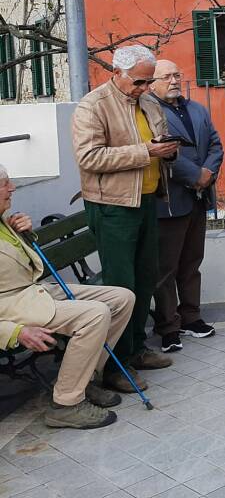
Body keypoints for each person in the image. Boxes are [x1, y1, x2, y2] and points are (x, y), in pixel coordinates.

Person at [72, 45, 177, 391]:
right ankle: (115, 367)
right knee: (121, 287)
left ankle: (136, 350)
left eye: (148, 82)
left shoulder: (146, 102)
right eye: (139, 82)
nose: (145, 88)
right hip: (113, 206)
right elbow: (89, 157)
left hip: (145, 199)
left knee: (146, 279)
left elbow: (154, 141)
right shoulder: (93, 105)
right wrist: (146, 151)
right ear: (116, 72)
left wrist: (167, 149)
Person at [0, 164, 134, 429]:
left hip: (34, 292)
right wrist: (13, 332)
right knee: (95, 315)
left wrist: (24, 234)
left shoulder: (3, 220)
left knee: (122, 298)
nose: (12, 188)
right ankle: (66, 404)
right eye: (5, 184)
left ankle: (82, 381)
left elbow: (21, 262)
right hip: (12, 306)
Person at [149, 59, 223, 353]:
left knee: (192, 262)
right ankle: (168, 326)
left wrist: (208, 172)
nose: (174, 80)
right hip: (170, 200)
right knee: (166, 268)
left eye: (176, 74)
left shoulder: (196, 108)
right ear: (152, 82)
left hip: (199, 197)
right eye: (166, 76)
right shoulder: (149, 111)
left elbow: (216, 144)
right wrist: (196, 175)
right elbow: (161, 151)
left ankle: (191, 317)